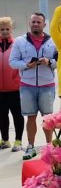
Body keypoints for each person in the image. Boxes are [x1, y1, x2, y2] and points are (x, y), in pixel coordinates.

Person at [9, 13, 57, 160]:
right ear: (29, 23)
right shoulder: (19, 41)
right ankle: (30, 146)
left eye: (39, 22)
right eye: (33, 22)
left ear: (44, 24)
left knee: (48, 118)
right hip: (27, 85)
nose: (36, 24)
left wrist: (49, 62)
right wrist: (26, 65)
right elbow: (12, 62)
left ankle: (49, 147)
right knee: (30, 117)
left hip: (47, 85)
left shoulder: (53, 41)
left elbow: (58, 61)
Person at [0, 17, 24, 152]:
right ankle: (5, 140)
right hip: (0, 90)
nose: (4, 32)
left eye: (7, 29)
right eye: (1, 29)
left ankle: (18, 141)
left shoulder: (17, 45)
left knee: (17, 115)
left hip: (15, 88)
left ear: (11, 29)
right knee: (2, 116)